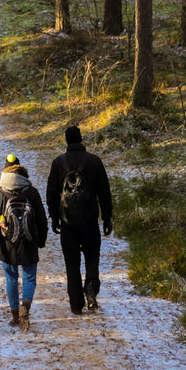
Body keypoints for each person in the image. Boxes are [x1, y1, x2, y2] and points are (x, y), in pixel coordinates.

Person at [46, 124, 113, 314]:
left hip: (68, 223)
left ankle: (76, 303)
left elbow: (51, 194)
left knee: (72, 263)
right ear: (81, 138)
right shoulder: (94, 162)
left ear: (66, 141)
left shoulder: (58, 163)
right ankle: (91, 287)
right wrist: (107, 217)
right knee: (92, 257)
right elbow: (104, 193)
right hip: (90, 220)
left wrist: (54, 218)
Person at [0, 154, 48, 331]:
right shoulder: (32, 192)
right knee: (30, 277)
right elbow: (42, 219)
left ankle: (15, 315)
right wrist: (41, 240)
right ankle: (25, 305)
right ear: (21, 171)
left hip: (7, 242)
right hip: (29, 240)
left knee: (11, 278)